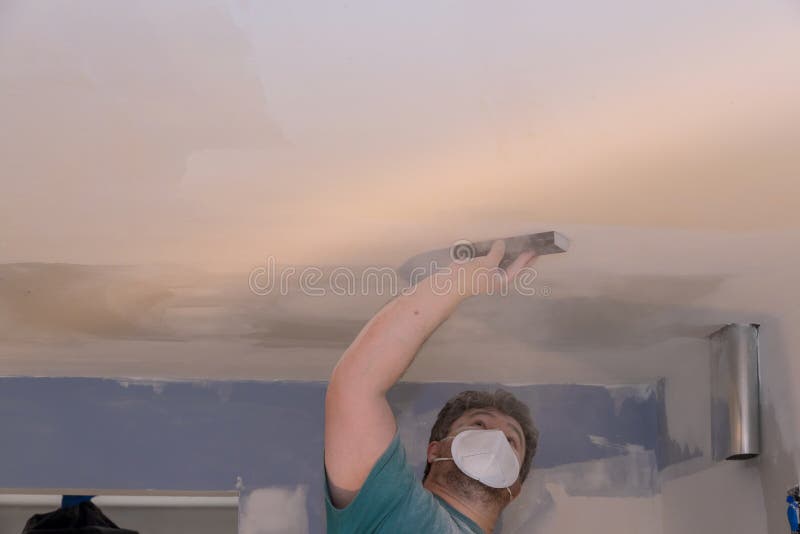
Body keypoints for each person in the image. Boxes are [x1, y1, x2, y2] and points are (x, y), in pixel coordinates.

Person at [325, 240, 540, 533]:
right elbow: (355, 389)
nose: (494, 440)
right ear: (435, 451)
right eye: (478, 425)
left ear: (515, 487)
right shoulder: (388, 506)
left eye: (511, 441)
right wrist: (455, 284)